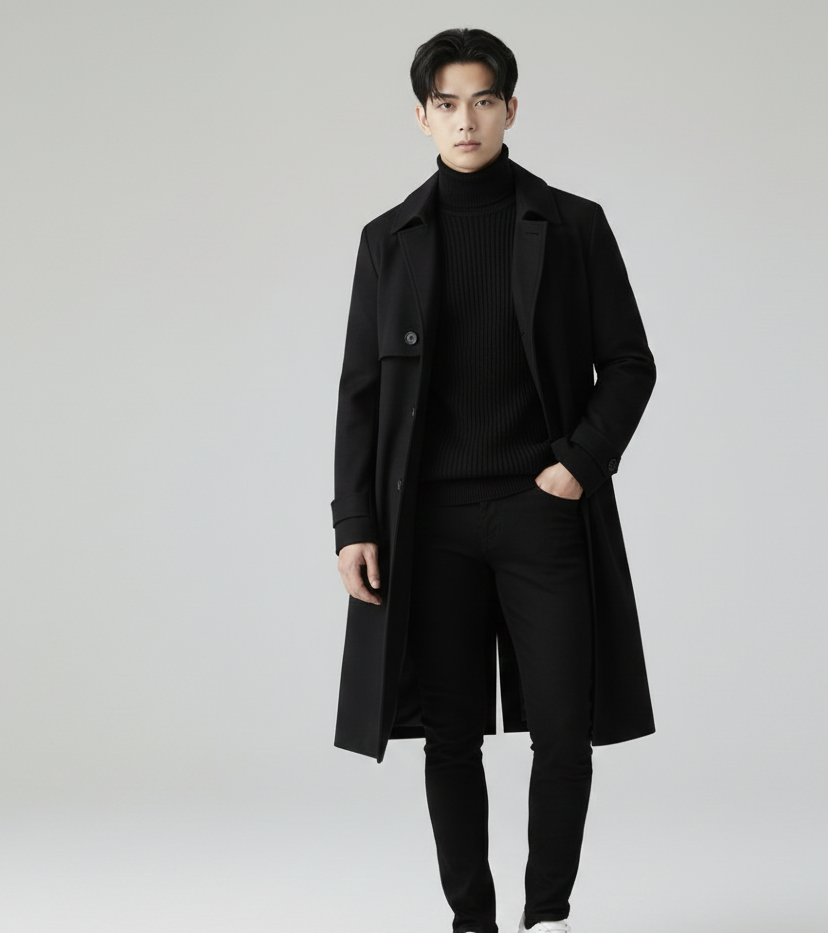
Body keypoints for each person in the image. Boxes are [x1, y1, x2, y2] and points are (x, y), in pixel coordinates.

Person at [331, 27, 656, 933]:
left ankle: (545, 914)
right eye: (446, 104)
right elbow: (360, 394)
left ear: (511, 108)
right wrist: (353, 522)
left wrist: (576, 465)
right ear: (422, 116)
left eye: (482, 101)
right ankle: (470, 919)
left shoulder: (572, 223)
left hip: (539, 512)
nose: (464, 120)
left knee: (563, 727)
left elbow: (629, 363)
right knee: (449, 734)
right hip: (429, 522)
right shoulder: (388, 240)